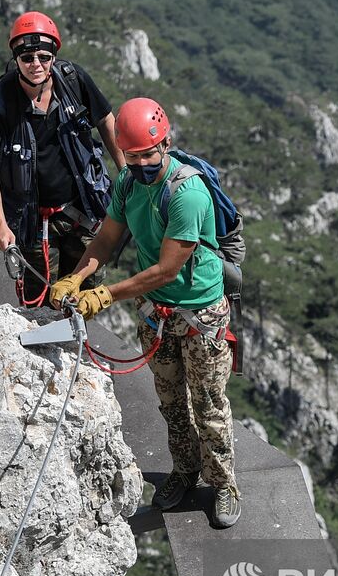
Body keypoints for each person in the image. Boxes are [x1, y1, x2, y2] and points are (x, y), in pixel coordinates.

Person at [48, 98, 240, 529]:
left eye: (147, 155)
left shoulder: (187, 192)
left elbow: (167, 267)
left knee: (207, 403)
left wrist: (105, 295)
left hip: (198, 312)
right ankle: (185, 471)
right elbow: (106, 239)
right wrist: (77, 278)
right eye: (131, 157)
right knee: (171, 401)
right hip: (157, 311)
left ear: (165, 144)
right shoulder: (129, 183)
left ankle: (224, 483)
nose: (140, 164)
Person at [0, 11, 126, 305]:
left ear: (53, 56)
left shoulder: (73, 81)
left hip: (82, 211)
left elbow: (105, 119)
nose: (36, 64)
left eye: (43, 56)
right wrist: (0, 225)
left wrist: (126, 173)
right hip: (32, 222)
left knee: (83, 295)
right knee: (39, 300)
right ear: (16, 59)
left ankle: (71, 348)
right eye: (27, 58)